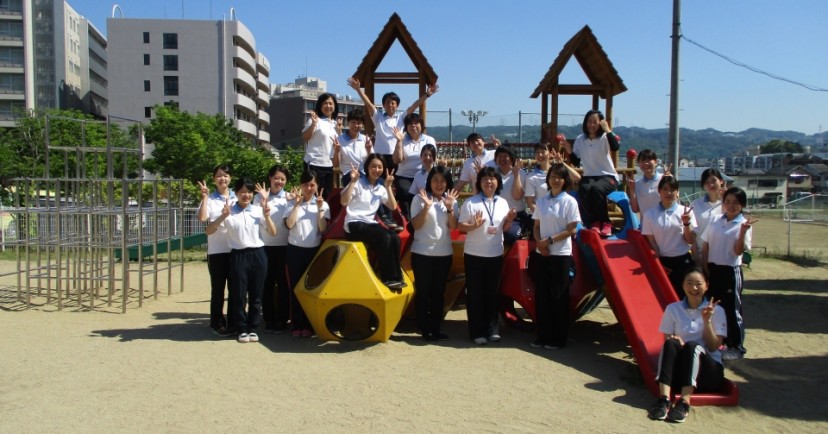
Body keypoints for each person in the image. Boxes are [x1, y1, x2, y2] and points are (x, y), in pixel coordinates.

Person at [647, 269, 727, 423]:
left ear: (707, 286)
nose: (694, 288)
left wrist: (707, 321)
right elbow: (668, 340)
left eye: (698, 284)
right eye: (689, 283)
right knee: (671, 343)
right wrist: (677, 341)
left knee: (692, 346)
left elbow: (713, 347)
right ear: (683, 285)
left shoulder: (717, 311)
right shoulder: (673, 309)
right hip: (681, 372)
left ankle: (684, 403)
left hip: (707, 375)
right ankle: (664, 399)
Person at [213, 177, 278, 343]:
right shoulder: (229, 211)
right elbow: (209, 230)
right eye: (242, 192)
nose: (246, 195)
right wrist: (222, 216)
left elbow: (273, 232)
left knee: (257, 295)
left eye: (249, 192)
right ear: (236, 193)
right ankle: (241, 328)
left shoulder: (257, 210)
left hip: (258, 254)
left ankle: (253, 327)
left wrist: (267, 216)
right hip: (238, 255)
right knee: (239, 294)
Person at [458, 166, 517, 345]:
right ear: (479, 182)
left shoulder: (503, 203)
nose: (488, 182)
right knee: (475, 294)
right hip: (474, 254)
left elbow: (504, 229)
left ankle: (492, 329)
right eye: (484, 179)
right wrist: (473, 226)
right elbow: (460, 227)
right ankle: (477, 332)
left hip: (495, 254)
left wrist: (509, 220)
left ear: (497, 182)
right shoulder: (471, 202)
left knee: (492, 293)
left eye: (492, 179)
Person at [700, 186, 756, 361]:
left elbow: (738, 251)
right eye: (728, 202)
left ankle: (736, 347)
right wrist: (705, 266)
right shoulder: (715, 220)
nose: (731, 205)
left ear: (742, 205)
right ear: (723, 203)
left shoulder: (743, 224)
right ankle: (718, 343)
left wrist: (742, 233)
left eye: (736, 203)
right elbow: (706, 244)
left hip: (730, 271)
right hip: (713, 269)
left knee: (733, 310)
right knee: (713, 308)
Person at [531, 163, 581, 349]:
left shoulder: (570, 201)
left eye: (559, 177)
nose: (555, 180)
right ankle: (542, 335)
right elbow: (536, 226)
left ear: (565, 180)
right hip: (542, 253)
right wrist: (539, 243)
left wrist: (549, 241)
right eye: (552, 176)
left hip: (560, 253)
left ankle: (558, 338)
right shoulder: (542, 201)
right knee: (542, 295)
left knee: (559, 296)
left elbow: (572, 229)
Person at [341, 154, 406, 289]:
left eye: (380, 167)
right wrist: (352, 182)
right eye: (373, 166)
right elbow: (344, 201)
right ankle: (388, 278)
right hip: (353, 223)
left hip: (370, 223)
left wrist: (388, 187)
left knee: (395, 238)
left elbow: (393, 207)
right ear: (367, 168)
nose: (377, 169)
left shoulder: (380, 187)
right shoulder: (358, 183)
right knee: (385, 237)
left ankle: (397, 277)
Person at [410, 165, 459, 341]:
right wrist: (426, 207)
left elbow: (454, 227)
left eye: (442, 180)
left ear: (447, 183)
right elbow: (415, 225)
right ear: (429, 181)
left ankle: (436, 328)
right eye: (435, 180)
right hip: (422, 252)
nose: (439, 184)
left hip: (444, 253)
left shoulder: (451, 200)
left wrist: (450, 208)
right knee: (423, 292)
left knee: (439, 292)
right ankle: (424, 329)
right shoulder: (419, 199)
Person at [346, 77, 437, 172]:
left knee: (393, 181)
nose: (390, 105)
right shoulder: (378, 117)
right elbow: (368, 104)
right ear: (384, 105)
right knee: (380, 182)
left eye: (393, 103)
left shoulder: (401, 117)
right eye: (387, 103)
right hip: (380, 156)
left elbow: (413, 106)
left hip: (396, 156)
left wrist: (427, 95)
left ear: (397, 105)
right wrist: (358, 90)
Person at [285, 170, 331, 338]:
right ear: (300, 186)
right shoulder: (291, 204)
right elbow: (289, 225)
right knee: (296, 288)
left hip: (314, 250)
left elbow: (323, 228)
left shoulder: (323, 204)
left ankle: (310, 324)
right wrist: (296, 205)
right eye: (305, 184)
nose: (309, 188)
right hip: (295, 249)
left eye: (312, 184)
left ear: (317, 186)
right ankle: (297, 324)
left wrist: (319, 209)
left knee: (311, 288)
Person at [561, 110, 620, 237]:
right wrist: (569, 150)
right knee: (584, 188)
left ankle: (606, 222)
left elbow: (615, 147)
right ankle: (594, 222)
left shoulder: (605, 137)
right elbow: (576, 162)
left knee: (596, 189)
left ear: (601, 123)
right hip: (589, 176)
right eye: (589, 121)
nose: (592, 125)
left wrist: (607, 129)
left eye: (595, 122)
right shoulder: (580, 139)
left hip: (608, 176)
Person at [641, 176, 697, 299]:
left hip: (683, 261)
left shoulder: (686, 211)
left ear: (678, 192)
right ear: (659, 191)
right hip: (663, 262)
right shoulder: (650, 214)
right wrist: (658, 263)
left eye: (672, 189)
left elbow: (690, 240)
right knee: (663, 297)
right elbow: (652, 242)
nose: (668, 193)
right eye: (665, 189)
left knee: (685, 297)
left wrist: (686, 223)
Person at [197, 164, 237, 337]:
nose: (223, 178)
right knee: (218, 289)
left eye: (226, 175)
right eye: (219, 176)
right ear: (214, 179)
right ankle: (217, 322)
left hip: (236, 249)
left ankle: (235, 322)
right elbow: (203, 218)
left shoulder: (238, 197)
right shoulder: (211, 199)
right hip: (217, 250)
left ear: (231, 178)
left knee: (237, 289)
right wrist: (204, 197)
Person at [254, 165, 293, 334]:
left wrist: (293, 200)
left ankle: (282, 319)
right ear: (270, 178)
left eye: (283, 179)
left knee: (284, 284)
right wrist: (264, 199)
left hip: (284, 246)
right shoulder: (258, 197)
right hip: (264, 246)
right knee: (266, 284)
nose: (279, 182)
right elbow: (257, 218)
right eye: (276, 178)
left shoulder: (289, 197)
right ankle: (268, 318)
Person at [392, 113, 436, 219]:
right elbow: (397, 160)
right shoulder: (402, 139)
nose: (413, 126)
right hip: (404, 175)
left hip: (424, 174)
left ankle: (428, 216)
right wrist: (399, 141)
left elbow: (432, 159)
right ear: (406, 127)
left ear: (421, 125)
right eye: (410, 124)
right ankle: (410, 219)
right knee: (406, 192)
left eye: (416, 123)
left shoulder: (429, 140)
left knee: (425, 192)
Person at [486, 146, 527, 244]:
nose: (502, 159)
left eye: (505, 156)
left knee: (510, 236)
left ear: (512, 158)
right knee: (486, 233)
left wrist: (516, 175)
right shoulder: (493, 174)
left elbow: (517, 196)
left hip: (516, 217)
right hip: (496, 215)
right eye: (499, 156)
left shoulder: (521, 173)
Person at [302, 92, 340, 194]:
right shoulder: (315, 120)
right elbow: (305, 137)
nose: (328, 106)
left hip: (329, 165)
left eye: (331, 103)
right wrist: (313, 124)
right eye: (325, 103)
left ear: (335, 106)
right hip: (314, 163)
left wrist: (339, 132)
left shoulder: (336, 124)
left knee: (327, 196)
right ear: (320, 106)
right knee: (313, 195)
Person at [691, 168, 725, 262]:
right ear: (703, 186)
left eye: (714, 180)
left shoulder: (729, 205)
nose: (711, 185)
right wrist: (697, 258)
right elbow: (691, 234)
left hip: (723, 258)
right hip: (700, 256)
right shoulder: (696, 205)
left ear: (721, 181)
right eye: (707, 182)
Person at [332, 108, 372, 187]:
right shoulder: (339, 140)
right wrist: (337, 151)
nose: (356, 125)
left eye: (359, 123)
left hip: (364, 173)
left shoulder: (366, 140)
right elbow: (335, 165)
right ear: (348, 123)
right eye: (353, 122)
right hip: (348, 174)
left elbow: (372, 161)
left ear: (362, 125)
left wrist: (369, 150)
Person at [627, 149, 662, 217]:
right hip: (646, 225)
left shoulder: (664, 179)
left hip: (664, 225)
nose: (646, 163)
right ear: (638, 163)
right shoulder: (637, 184)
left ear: (656, 162)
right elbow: (635, 209)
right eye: (642, 160)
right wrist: (632, 190)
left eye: (649, 160)